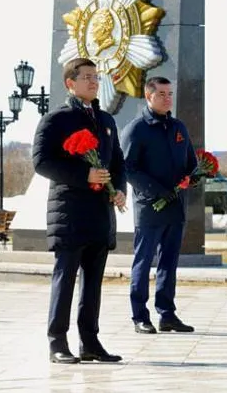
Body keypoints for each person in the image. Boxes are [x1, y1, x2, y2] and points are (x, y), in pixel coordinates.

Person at [32, 57, 126, 364]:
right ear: (70, 83)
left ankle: (90, 342)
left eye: (96, 76)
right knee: (66, 279)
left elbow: (117, 162)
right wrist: (84, 176)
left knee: (93, 283)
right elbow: (42, 162)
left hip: (100, 215)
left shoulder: (107, 121)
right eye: (86, 76)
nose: (94, 81)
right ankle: (57, 342)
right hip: (69, 213)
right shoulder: (55, 120)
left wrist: (119, 189)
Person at [120, 76, 197, 334]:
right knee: (144, 261)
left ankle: (167, 314)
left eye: (170, 93)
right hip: (149, 207)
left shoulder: (179, 128)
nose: (168, 98)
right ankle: (140, 316)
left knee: (169, 262)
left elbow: (190, 163)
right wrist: (157, 191)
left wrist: (195, 176)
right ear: (148, 96)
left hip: (175, 207)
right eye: (162, 94)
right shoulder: (136, 129)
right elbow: (127, 169)